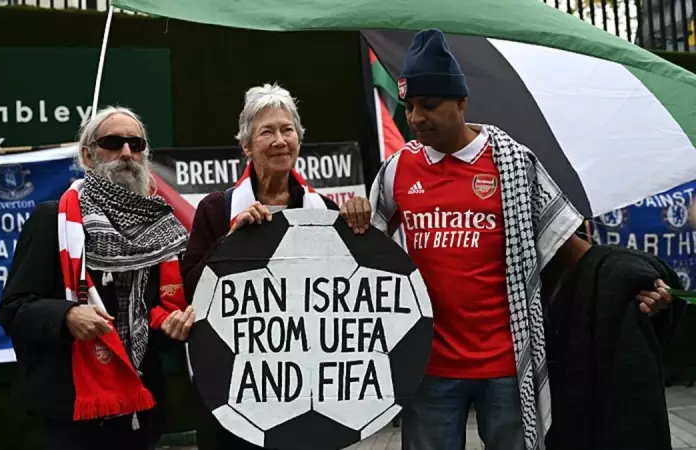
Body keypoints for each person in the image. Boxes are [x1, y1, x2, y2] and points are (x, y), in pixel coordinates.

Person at [340, 28, 674, 450]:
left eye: (429, 105)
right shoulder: (396, 170)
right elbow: (365, 255)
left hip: (507, 366)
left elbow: (575, 253)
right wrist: (353, 217)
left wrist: (633, 282)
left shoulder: (515, 164)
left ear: (461, 102)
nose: (417, 118)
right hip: (429, 366)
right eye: (409, 107)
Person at [0, 106, 194, 450]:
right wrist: (67, 316)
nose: (127, 153)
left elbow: (157, 326)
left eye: (136, 144)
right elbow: (13, 310)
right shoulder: (53, 220)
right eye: (113, 142)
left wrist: (172, 328)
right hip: (73, 410)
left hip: (140, 407)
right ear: (88, 156)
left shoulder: (159, 229)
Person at [180, 83, 339, 450]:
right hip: (235, 385)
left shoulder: (324, 211)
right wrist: (230, 240)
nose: (280, 140)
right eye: (267, 131)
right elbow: (190, 289)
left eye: (288, 130)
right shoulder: (218, 209)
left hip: (306, 384)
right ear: (246, 146)